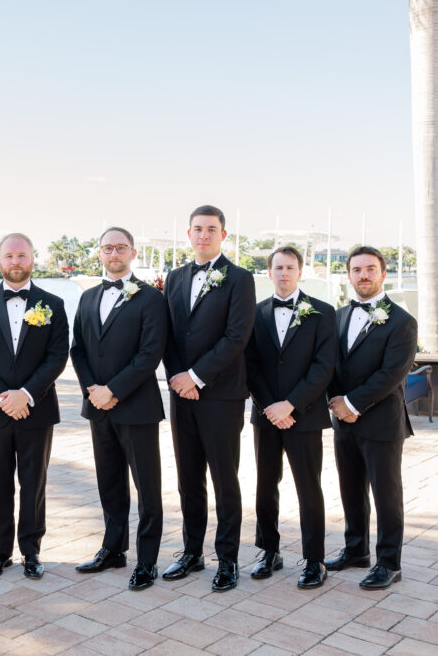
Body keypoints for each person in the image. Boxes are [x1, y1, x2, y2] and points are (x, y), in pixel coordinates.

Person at [0, 233, 68, 580]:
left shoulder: (53, 303)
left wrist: (26, 394)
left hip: (36, 408)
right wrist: (2, 397)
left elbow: (57, 356)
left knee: (34, 482)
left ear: (33, 259)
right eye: (9, 256)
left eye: (22, 255)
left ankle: (31, 551)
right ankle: (1, 549)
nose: (16, 262)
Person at [162, 204, 255, 591]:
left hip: (221, 395)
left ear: (223, 235)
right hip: (181, 394)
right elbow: (167, 334)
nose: (203, 235)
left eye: (211, 229)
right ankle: (191, 552)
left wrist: (196, 377)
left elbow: (237, 336)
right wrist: (178, 379)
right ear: (189, 234)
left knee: (224, 479)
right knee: (188, 478)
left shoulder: (240, 279)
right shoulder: (175, 277)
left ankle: (228, 559)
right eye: (197, 229)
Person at [70, 227, 167, 590]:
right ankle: (113, 549)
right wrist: (93, 392)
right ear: (100, 253)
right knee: (109, 482)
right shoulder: (87, 297)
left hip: (137, 407)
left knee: (147, 488)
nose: (114, 254)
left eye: (120, 248)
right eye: (108, 248)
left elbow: (150, 353)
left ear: (132, 253)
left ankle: (147, 560)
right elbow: (78, 349)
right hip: (98, 408)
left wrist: (113, 390)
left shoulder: (151, 298)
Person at [244, 246, 336, 589]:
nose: (284, 273)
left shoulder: (323, 312)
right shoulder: (255, 313)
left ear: (300, 271)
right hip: (266, 415)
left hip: (305, 416)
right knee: (265, 485)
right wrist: (271, 406)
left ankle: (314, 559)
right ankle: (269, 551)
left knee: (308, 488)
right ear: (269, 273)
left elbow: (323, 367)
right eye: (278, 267)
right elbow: (250, 366)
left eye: (290, 267)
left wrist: (292, 405)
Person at [325, 246, 417, 590]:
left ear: (383, 274)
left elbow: (392, 373)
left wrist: (352, 403)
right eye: (357, 270)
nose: (363, 275)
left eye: (370, 269)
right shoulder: (337, 317)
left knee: (386, 495)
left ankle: (389, 563)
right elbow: (328, 365)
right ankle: (356, 551)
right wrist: (335, 403)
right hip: (342, 421)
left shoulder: (402, 321)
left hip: (381, 422)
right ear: (349, 275)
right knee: (350, 489)